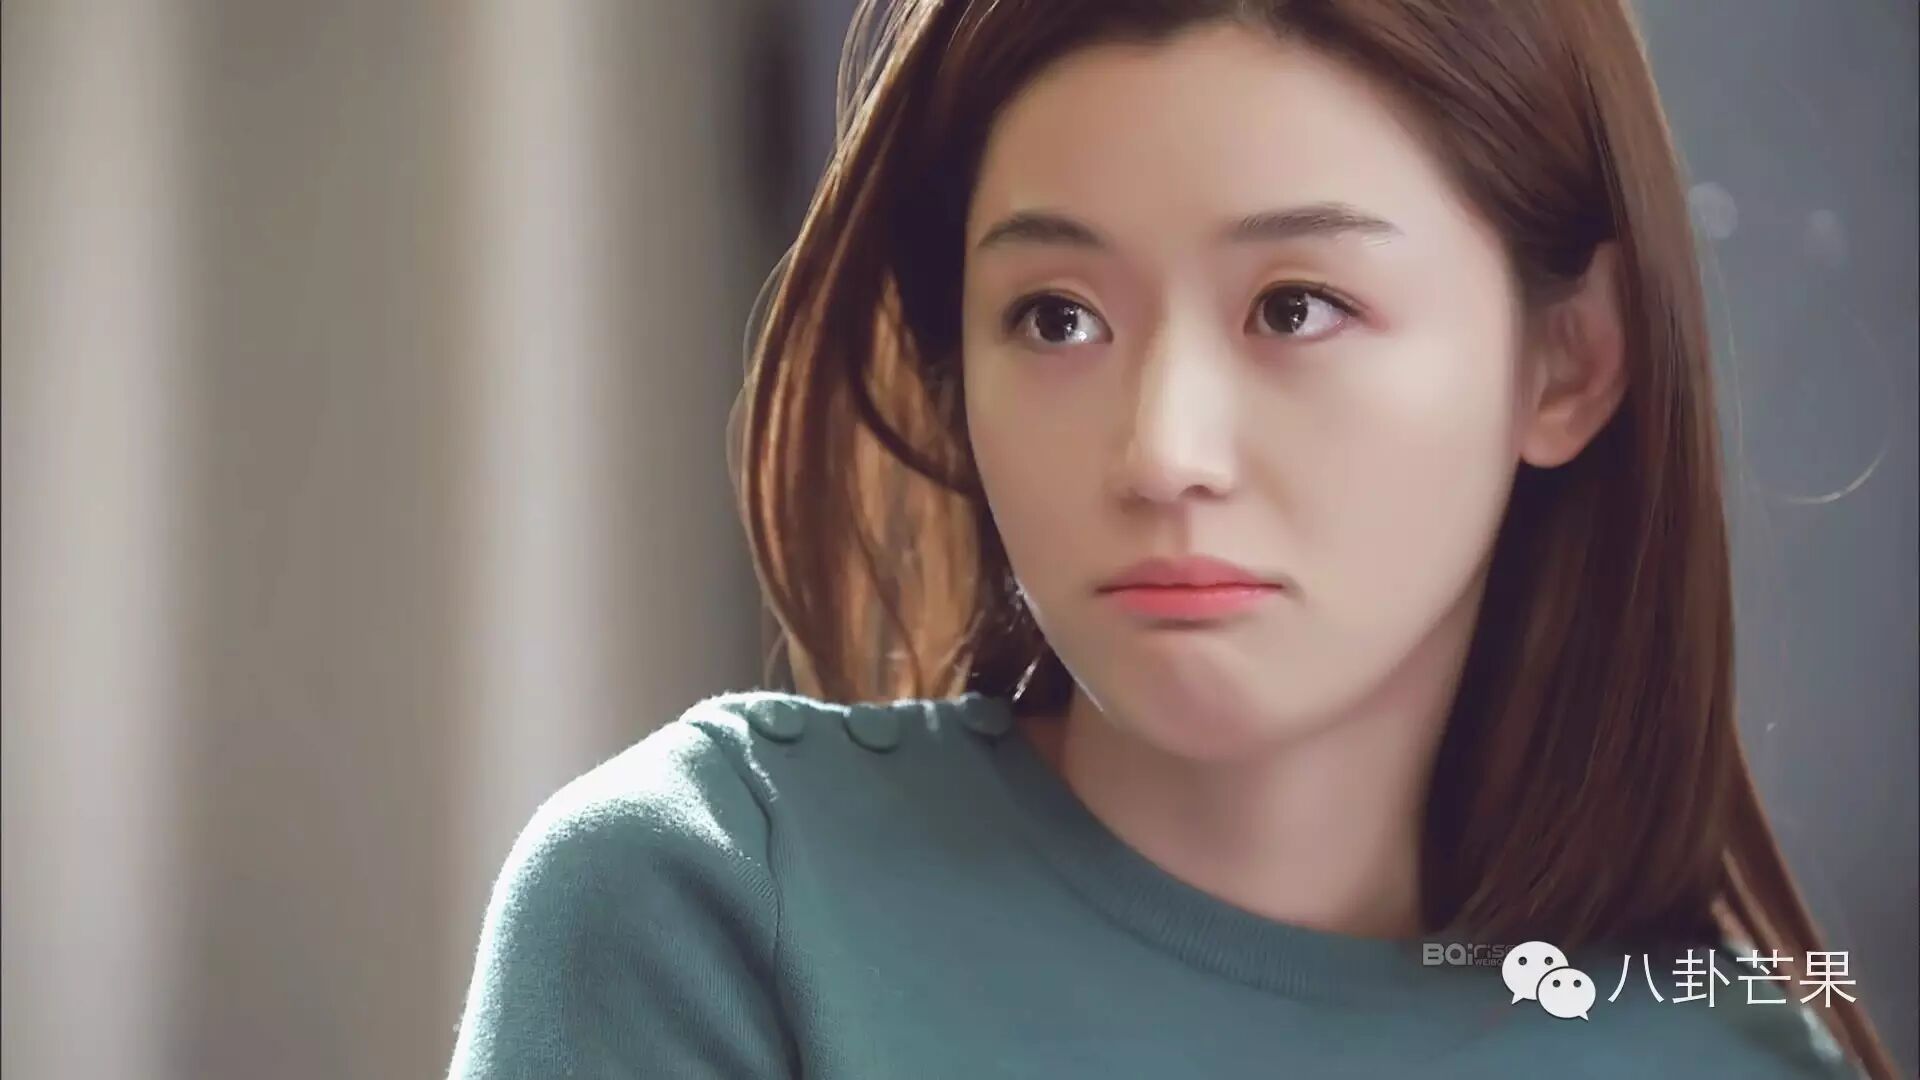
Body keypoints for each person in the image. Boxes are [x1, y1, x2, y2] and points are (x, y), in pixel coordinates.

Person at [447, 1, 1898, 1076]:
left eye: (1294, 308)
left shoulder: (1721, 1057)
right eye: (1056, 317)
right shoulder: (713, 913)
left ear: (1567, 361)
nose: (1160, 452)